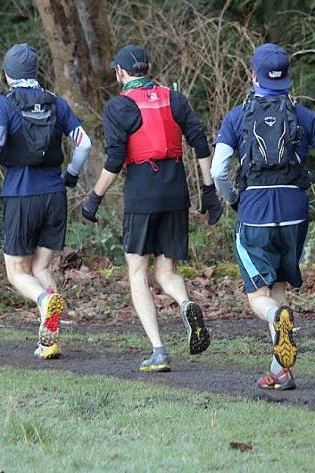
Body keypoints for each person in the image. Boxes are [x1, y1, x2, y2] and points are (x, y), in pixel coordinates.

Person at [212, 43, 315, 391]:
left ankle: (276, 318)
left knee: (258, 297)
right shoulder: (304, 116)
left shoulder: (236, 117)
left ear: (253, 76)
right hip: (295, 212)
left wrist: (232, 199)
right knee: (278, 286)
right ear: (287, 77)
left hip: (255, 210)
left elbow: (218, 170)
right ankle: (280, 371)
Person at [80, 44, 220, 373]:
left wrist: (94, 197)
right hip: (175, 192)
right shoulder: (175, 98)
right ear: (149, 67)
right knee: (166, 271)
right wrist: (208, 191)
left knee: (137, 272)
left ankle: (158, 350)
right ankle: (185, 303)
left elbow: (115, 160)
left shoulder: (118, 106)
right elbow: (200, 143)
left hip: (142, 192)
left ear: (121, 72)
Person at [0, 43, 93, 360]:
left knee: (16, 272)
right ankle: (48, 340)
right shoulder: (56, 103)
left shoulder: (2, 104)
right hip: (54, 194)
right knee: (41, 266)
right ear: (35, 72)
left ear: (7, 74)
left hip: (20, 195)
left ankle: (43, 301)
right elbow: (84, 144)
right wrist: (71, 174)